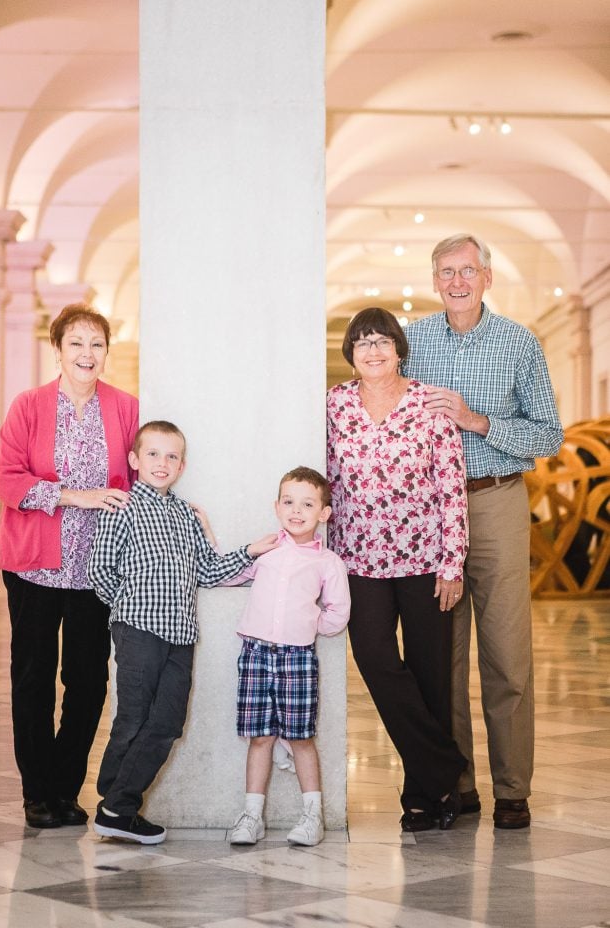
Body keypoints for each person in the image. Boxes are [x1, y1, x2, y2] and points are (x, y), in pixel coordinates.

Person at [404, 233, 564, 829]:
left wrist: (477, 420)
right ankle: (455, 783)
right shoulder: (411, 342)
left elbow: (548, 434)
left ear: (487, 277)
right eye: (446, 271)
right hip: (427, 511)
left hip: (496, 500)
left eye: (467, 270)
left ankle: (513, 788)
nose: (457, 281)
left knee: (506, 652)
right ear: (435, 279)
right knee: (440, 653)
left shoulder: (519, 342)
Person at [87, 420, 279, 845]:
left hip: (180, 634)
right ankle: (118, 805)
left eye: (171, 456)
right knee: (134, 716)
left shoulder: (185, 513)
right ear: (135, 460)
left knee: (169, 721)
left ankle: (114, 803)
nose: (162, 463)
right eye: (153, 454)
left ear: (182, 465)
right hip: (137, 628)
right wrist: (127, 608)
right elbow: (100, 570)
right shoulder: (122, 507)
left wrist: (251, 551)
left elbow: (207, 569)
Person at [0, 303, 139, 829]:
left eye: (96, 344)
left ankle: (64, 786)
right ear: (57, 350)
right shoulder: (29, 405)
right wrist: (72, 495)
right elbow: (6, 478)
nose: (87, 353)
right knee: (32, 677)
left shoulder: (124, 407)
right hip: (34, 565)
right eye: (76, 343)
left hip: (96, 568)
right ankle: (36, 792)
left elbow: (139, 477)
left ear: (106, 351)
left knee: (88, 679)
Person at [327, 307, 468, 832]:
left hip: (426, 560)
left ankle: (428, 794)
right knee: (375, 658)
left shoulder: (428, 404)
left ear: (398, 348)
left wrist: (452, 563)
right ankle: (444, 764)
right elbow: (327, 483)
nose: (372, 349)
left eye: (382, 339)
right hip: (358, 560)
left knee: (431, 673)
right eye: (362, 341)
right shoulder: (335, 405)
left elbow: (452, 487)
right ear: (351, 352)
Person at [228, 466, 350, 847]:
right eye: (289, 502)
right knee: (260, 737)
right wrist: (239, 549)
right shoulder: (266, 550)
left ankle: (312, 814)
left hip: (297, 657)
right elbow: (227, 574)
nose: (296, 511)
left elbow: (338, 612)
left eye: (308, 504)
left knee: (300, 737)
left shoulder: (328, 562)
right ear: (276, 506)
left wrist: (308, 625)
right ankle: (252, 816)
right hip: (255, 653)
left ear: (324, 513)